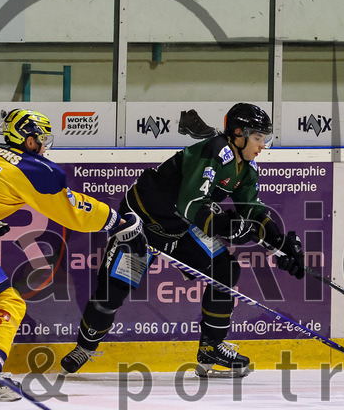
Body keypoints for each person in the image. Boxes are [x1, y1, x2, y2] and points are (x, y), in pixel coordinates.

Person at [0, 108, 143, 401]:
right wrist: (118, 222)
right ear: (29, 141)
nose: (45, 146)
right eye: (42, 139)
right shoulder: (36, 169)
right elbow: (71, 210)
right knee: (7, 300)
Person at [60, 103, 306, 378]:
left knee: (224, 269)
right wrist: (228, 225)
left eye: (265, 139)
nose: (263, 145)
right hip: (141, 226)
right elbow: (190, 204)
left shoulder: (246, 168)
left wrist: (282, 244)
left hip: (180, 229)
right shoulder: (215, 151)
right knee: (111, 294)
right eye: (259, 138)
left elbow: (252, 212)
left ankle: (211, 347)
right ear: (239, 133)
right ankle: (85, 345)